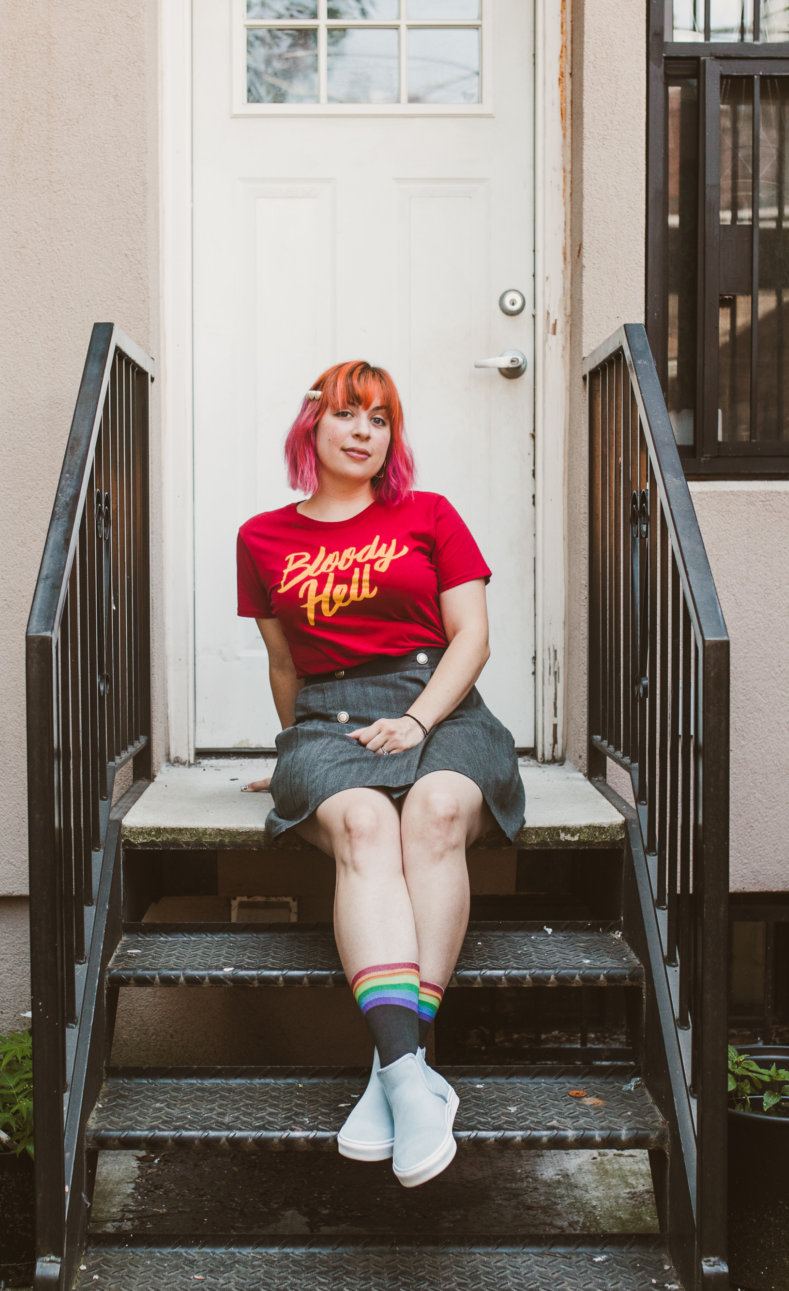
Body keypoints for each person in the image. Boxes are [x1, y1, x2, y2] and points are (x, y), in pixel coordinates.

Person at [236, 360, 526, 1188]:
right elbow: (285, 663)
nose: (364, 431)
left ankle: (392, 1071)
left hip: (443, 705)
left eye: (381, 418)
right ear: (312, 428)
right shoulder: (263, 537)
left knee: (434, 811)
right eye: (347, 414)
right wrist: (297, 755)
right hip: (328, 719)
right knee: (365, 823)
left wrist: (420, 720)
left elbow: (472, 636)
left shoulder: (429, 516)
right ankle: (411, 1076)